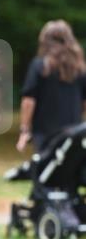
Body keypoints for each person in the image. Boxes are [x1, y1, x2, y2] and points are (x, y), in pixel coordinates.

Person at [16, 20, 86, 154]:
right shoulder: (80, 69)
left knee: (46, 170)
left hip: (44, 134)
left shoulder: (39, 66)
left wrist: (24, 130)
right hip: (74, 133)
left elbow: (28, 101)